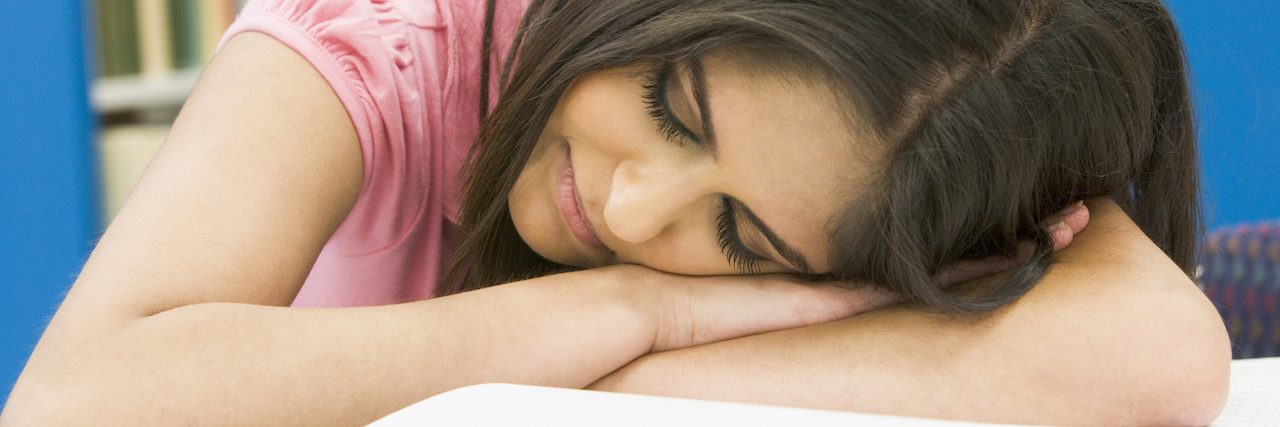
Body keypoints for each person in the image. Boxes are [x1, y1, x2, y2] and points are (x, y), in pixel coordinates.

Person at [3, 0, 1229, 425]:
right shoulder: (389, 39)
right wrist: (630, 307)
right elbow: (77, 401)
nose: (631, 204)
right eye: (669, 103)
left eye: (741, 236)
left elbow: (1157, 356)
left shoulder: (940, 148)